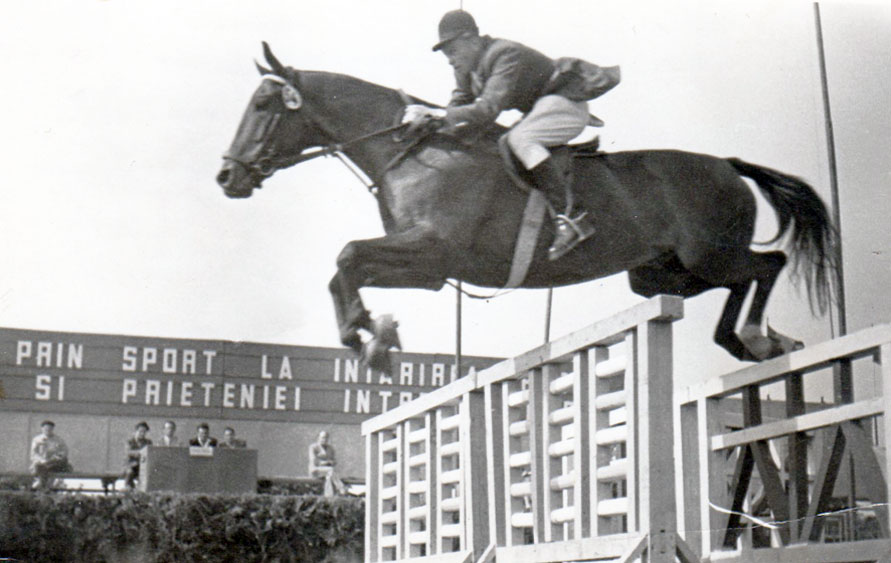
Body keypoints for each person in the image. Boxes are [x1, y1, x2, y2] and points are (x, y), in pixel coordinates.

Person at [402, 9, 620, 260]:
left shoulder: (505, 53)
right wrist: (432, 123)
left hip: (565, 103)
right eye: (445, 55)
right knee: (504, 142)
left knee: (519, 139)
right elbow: (458, 106)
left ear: (471, 39)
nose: (449, 60)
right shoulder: (466, 68)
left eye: (452, 51)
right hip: (542, 109)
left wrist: (436, 114)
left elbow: (487, 110)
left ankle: (572, 218)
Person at [29, 420, 72, 491]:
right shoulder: (37, 440)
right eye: (46, 429)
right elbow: (34, 454)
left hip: (53, 463)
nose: (48, 430)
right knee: (40, 469)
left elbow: (64, 452)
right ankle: (42, 487)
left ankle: (47, 487)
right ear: (42, 429)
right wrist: (41, 460)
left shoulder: (58, 440)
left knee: (57, 470)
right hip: (41, 464)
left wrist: (56, 457)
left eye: (50, 429)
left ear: (52, 429)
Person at [308, 430, 346, 496]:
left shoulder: (331, 448)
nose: (324, 439)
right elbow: (314, 460)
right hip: (316, 470)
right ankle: (341, 488)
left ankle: (328, 496)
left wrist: (332, 462)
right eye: (322, 437)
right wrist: (326, 462)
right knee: (330, 470)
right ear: (318, 438)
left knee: (329, 477)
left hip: (328, 472)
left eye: (326, 438)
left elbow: (334, 460)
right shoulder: (313, 447)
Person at [124, 421, 152, 490]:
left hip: (143, 466)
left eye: (144, 432)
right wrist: (141, 453)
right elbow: (129, 452)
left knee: (150, 474)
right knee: (129, 472)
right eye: (140, 431)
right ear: (135, 431)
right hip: (131, 465)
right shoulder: (130, 442)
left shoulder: (148, 442)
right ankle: (128, 488)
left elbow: (151, 452)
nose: (142, 434)